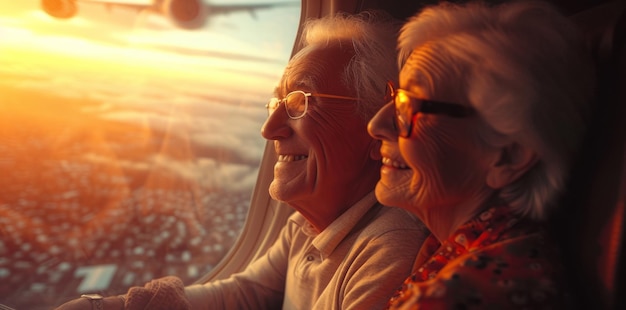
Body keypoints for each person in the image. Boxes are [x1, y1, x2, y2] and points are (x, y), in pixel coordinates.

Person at [54, 11, 427, 310]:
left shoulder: (389, 247)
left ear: (375, 124)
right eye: (276, 103)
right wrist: (109, 307)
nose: (270, 128)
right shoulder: (307, 225)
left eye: (300, 102)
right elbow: (246, 293)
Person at [367, 1, 595, 309]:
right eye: (395, 97)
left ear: (508, 156)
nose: (376, 124)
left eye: (409, 106)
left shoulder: (458, 297)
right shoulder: (453, 251)